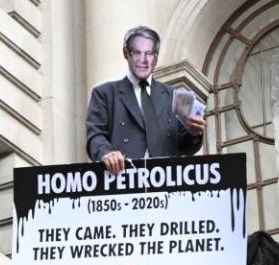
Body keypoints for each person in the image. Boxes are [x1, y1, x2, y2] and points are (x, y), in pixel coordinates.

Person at [86, 26, 205, 173]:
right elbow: (95, 136)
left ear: (156, 57)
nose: (143, 60)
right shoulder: (105, 94)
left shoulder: (175, 96)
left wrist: (194, 134)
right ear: (126, 54)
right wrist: (106, 153)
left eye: (149, 53)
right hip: (121, 182)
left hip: (165, 184)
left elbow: (185, 148)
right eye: (137, 52)